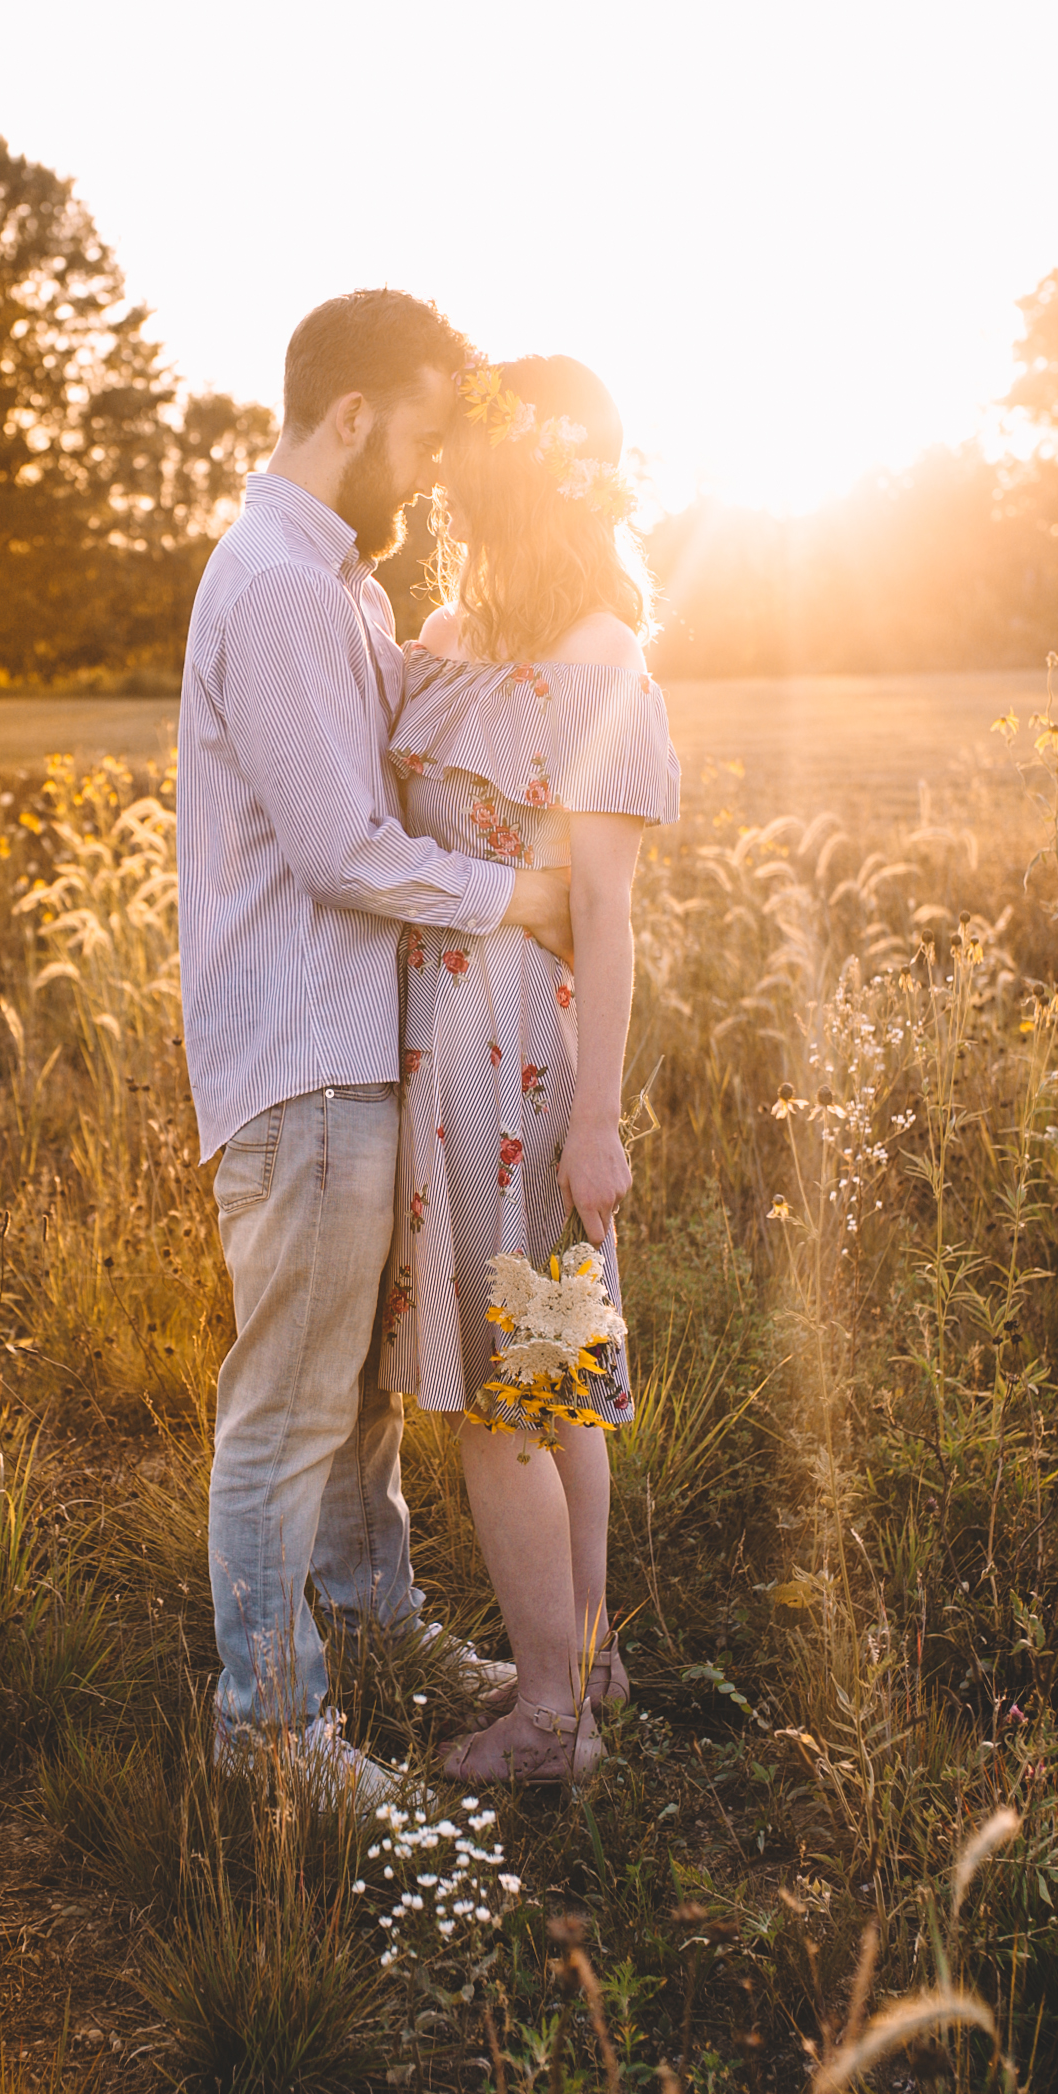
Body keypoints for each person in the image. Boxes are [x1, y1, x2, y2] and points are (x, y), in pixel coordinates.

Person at [176, 290, 576, 1800]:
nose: (424, 469)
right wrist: (518, 894)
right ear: (351, 415)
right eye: (414, 433)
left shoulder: (337, 584)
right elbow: (342, 845)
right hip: (301, 1044)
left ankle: (376, 1629)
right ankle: (271, 1738)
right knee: (288, 1402)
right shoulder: (279, 583)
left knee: (350, 1398)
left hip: (347, 1044)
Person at [379, 351, 681, 1784]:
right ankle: (584, 1662)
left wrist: (601, 1121)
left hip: (521, 1055)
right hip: (439, 1037)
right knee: (539, 1380)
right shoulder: (441, 634)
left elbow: (611, 914)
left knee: (519, 1396)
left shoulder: (603, 656)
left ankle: (553, 1710)